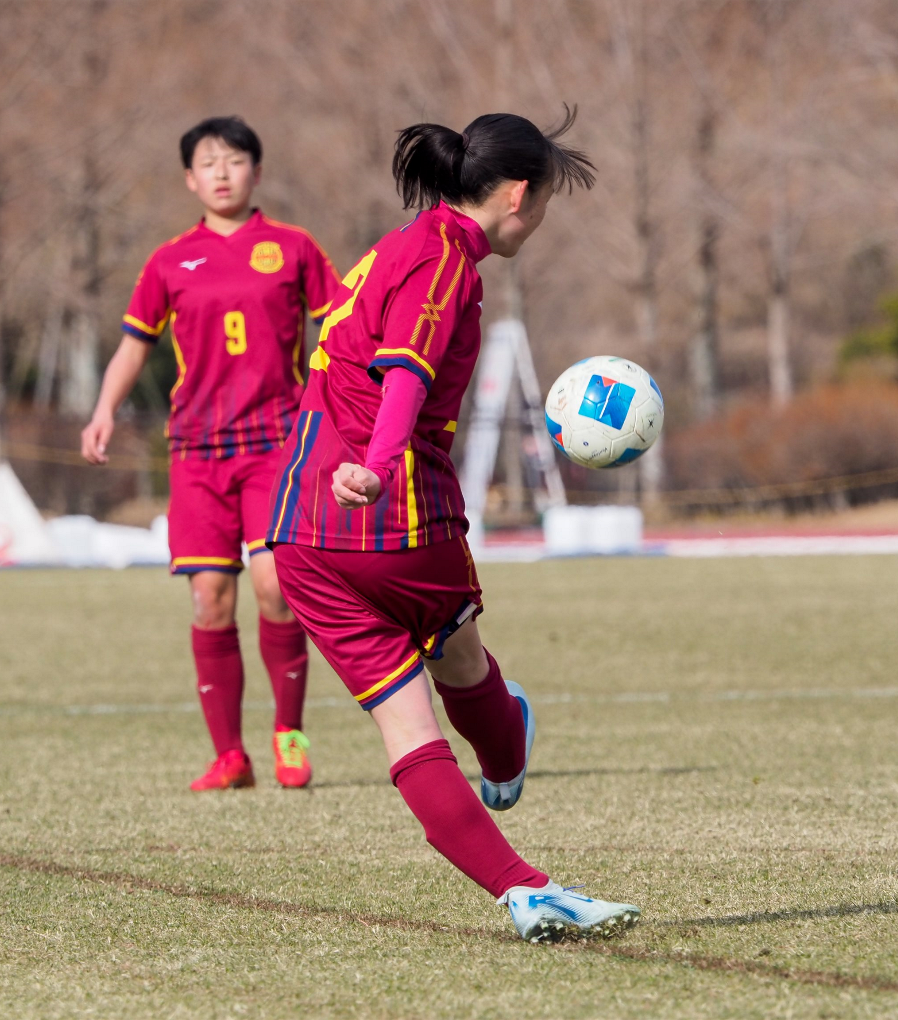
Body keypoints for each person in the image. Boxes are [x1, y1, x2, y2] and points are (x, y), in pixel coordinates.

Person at [266, 109, 641, 942]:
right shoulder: (447, 264)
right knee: (463, 659)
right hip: (395, 516)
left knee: (407, 732)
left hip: (299, 530)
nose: (538, 220)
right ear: (516, 193)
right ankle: (506, 753)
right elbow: (404, 374)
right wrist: (379, 458)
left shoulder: (395, 246)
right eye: (542, 202)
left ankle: (520, 888)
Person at [82, 116, 342, 789]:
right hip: (197, 450)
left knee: (276, 587)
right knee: (209, 599)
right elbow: (135, 344)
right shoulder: (169, 261)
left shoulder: (293, 248)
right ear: (189, 179)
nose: (222, 173)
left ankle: (289, 734)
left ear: (257, 170)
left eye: (235, 160)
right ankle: (229, 754)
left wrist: (343, 407)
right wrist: (106, 408)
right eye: (208, 162)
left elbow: (341, 328)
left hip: (276, 445)